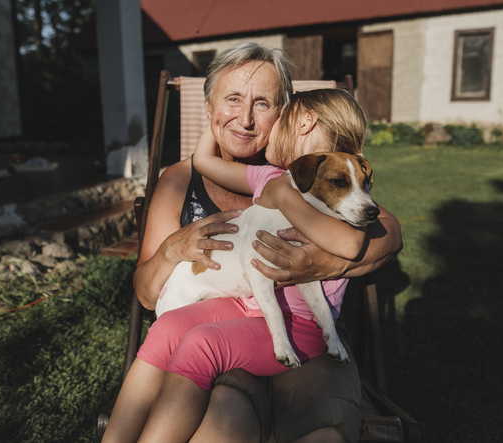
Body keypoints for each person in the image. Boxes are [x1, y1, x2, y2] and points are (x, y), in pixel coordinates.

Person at [102, 42, 402, 443]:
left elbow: (387, 230)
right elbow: (144, 294)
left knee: (281, 421)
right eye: (231, 100)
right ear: (208, 109)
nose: (244, 118)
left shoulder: (303, 170)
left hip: (292, 329)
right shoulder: (179, 179)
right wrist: (173, 249)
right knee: (210, 395)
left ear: (283, 113)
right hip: (218, 319)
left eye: (262, 103)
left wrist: (323, 263)